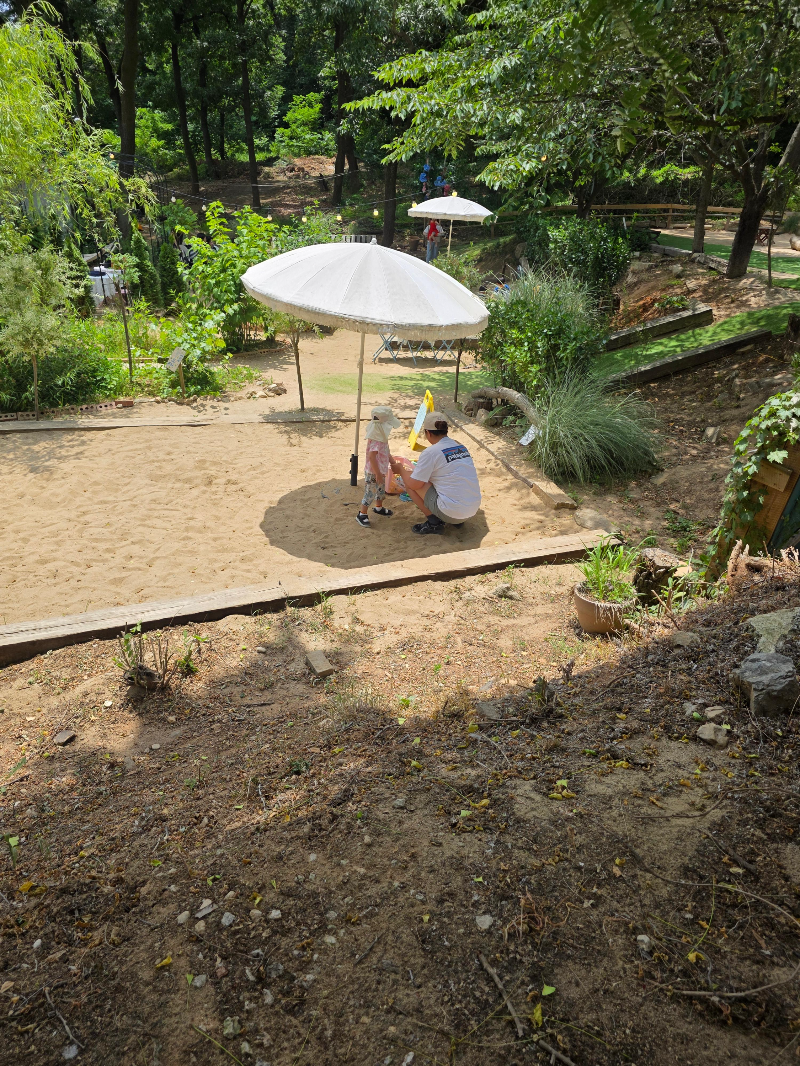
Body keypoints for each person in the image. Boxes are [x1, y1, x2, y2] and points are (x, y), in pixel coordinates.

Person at [404, 411, 482, 535]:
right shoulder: (460, 446)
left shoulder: (430, 452)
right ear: (446, 430)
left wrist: (400, 470)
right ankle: (455, 519)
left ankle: (434, 523)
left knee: (409, 480)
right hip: (471, 510)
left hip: (451, 513)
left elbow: (414, 484)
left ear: (428, 433)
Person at [356, 406, 403, 528]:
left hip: (380, 470)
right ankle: (362, 514)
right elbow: (372, 457)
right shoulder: (376, 439)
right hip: (373, 471)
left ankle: (378, 507)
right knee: (370, 492)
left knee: (380, 491)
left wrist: (393, 463)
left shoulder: (382, 438)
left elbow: (386, 452)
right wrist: (377, 474)